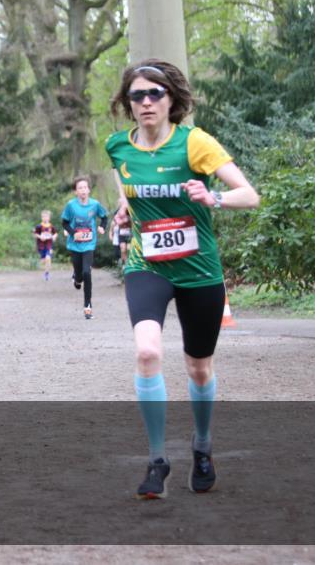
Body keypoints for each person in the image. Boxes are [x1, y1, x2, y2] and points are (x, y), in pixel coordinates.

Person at [106, 59, 259, 499]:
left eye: (156, 93)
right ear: (128, 103)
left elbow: (250, 195)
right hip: (147, 265)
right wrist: (125, 207)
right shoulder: (118, 147)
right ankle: (157, 460)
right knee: (148, 352)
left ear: (171, 100)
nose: (147, 102)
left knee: (198, 366)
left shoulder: (195, 144)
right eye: (138, 95)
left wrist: (212, 196)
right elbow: (128, 184)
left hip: (198, 270)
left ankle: (203, 445)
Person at [60, 176, 107, 319]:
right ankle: (76, 278)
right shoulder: (71, 205)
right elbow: (64, 223)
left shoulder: (95, 204)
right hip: (75, 245)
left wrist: (102, 227)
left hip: (89, 244)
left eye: (85, 188)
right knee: (80, 274)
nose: (83, 190)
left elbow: (104, 217)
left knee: (87, 272)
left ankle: (88, 306)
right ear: (76, 191)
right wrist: (74, 233)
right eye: (80, 188)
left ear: (89, 190)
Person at [32, 210, 59, 281]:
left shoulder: (51, 226)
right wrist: (40, 236)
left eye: (47, 217)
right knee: (43, 260)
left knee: (48, 258)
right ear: (42, 218)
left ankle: (47, 273)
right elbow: (34, 234)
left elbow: (56, 233)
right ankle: (42, 263)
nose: (45, 218)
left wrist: (54, 237)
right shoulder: (39, 226)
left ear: (49, 218)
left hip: (49, 245)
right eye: (44, 217)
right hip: (41, 246)